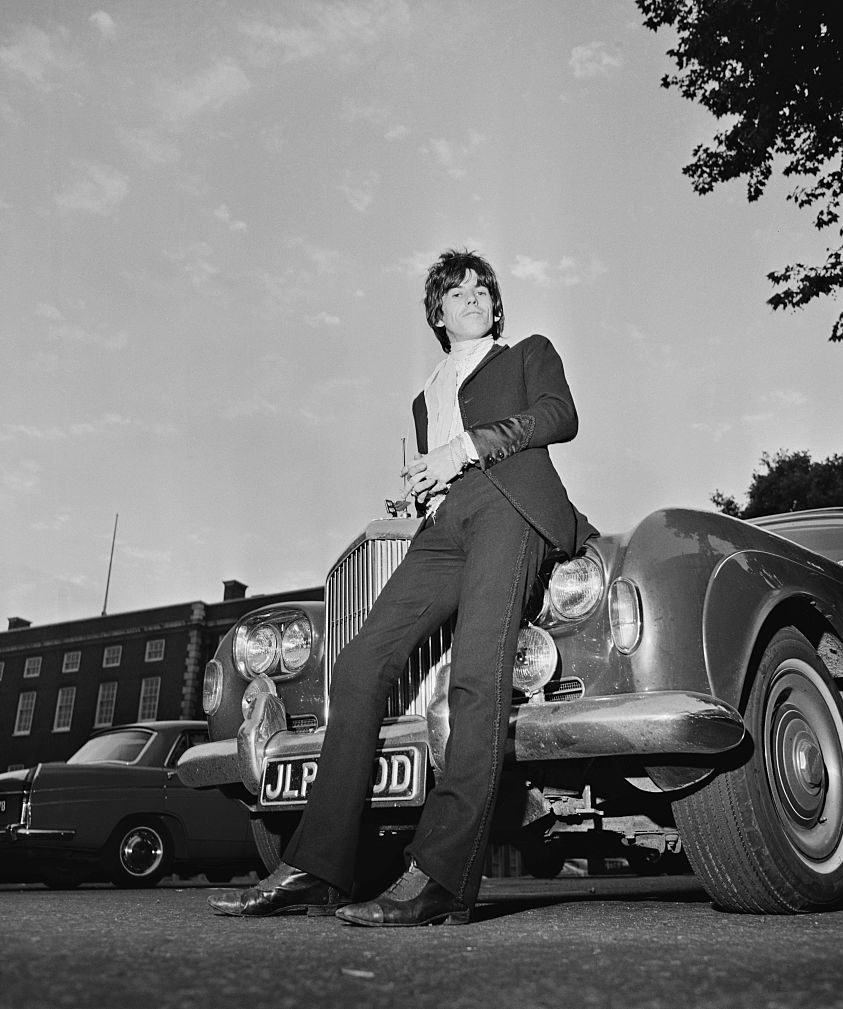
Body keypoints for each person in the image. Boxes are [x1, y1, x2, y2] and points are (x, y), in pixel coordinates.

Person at [208, 248, 595, 926]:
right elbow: (438, 473)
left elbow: (559, 415)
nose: (473, 297)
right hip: (445, 525)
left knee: (477, 676)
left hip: (512, 509)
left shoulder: (527, 352)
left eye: (483, 289)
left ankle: (439, 874)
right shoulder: (425, 398)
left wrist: (465, 447)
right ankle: (315, 865)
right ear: (438, 312)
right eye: (457, 291)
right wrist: (424, 490)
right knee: (358, 666)